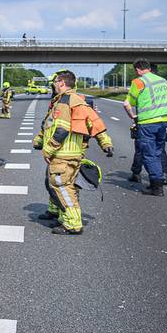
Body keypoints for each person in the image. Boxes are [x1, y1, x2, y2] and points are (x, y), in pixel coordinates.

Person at [33, 70, 113, 235]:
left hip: (62, 153)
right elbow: (94, 123)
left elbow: (61, 129)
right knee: (59, 183)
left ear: (61, 82)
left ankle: (73, 223)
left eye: (55, 82)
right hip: (73, 153)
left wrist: (48, 149)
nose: (53, 85)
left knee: (62, 186)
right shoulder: (78, 101)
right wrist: (105, 142)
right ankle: (58, 213)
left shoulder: (64, 102)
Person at [123, 59, 167, 196]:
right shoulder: (163, 81)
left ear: (138, 70)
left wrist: (133, 117)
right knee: (158, 151)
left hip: (147, 123)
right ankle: (161, 177)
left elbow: (127, 104)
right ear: (149, 67)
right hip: (163, 122)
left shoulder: (138, 82)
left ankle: (156, 186)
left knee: (149, 154)